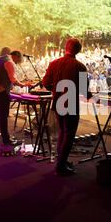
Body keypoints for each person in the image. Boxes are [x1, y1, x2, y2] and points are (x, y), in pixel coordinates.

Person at [42, 38, 92, 176]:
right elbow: (83, 90)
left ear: (66, 48)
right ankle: (61, 166)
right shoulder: (80, 66)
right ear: (78, 50)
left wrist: (55, 90)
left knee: (62, 132)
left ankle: (61, 161)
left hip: (57, 102)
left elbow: (45, 82)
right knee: (68, 134)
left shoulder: (54, 63)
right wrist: (91, 96)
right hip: (70, 103)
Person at [0, 48, 31, 144]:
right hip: (2, 91)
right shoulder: (9, 62)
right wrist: (23, 84)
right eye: (17, 61)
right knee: (3, 115)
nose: (16, 63)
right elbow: (13, 79)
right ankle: (6, 139)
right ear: (16, 56)